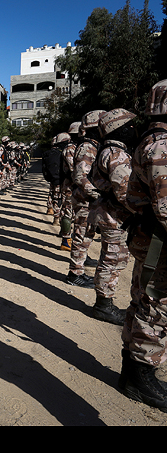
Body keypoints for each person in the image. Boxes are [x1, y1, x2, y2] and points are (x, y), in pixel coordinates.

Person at [119, 79, 167, 412]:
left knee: (145, 302)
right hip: (158, 246)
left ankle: (135, 368)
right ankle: (139, 374)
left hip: (152, 241)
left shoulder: (151, 142)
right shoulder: (161, 147)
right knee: (155, 308)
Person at [86, 108, 137, 326]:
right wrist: (142, 211)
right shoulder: (116, 154)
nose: (134, 129)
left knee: (110, 258)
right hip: (114, 216)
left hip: (109, 214)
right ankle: (103, 305)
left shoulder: (107, 150)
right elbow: (125, 193)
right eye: (130, 126)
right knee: (112, 260)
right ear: (120, 129)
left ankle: (104, 302)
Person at [66, 110, 106, 287]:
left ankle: (79, 268)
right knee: (81, 235)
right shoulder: (87, 147)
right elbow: (80, 177)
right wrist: (99, 193)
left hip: (87, 200)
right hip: (84, 200)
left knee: (86, 235)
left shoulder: (93, 145)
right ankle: (75, 274)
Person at [59, 122, 82, 250]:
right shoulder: (70, 149)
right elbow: (74, 169)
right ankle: (66, 240)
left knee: (72, 213)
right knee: (68, 212)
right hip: (70, 186)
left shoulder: (76, 147)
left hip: (76, 186)